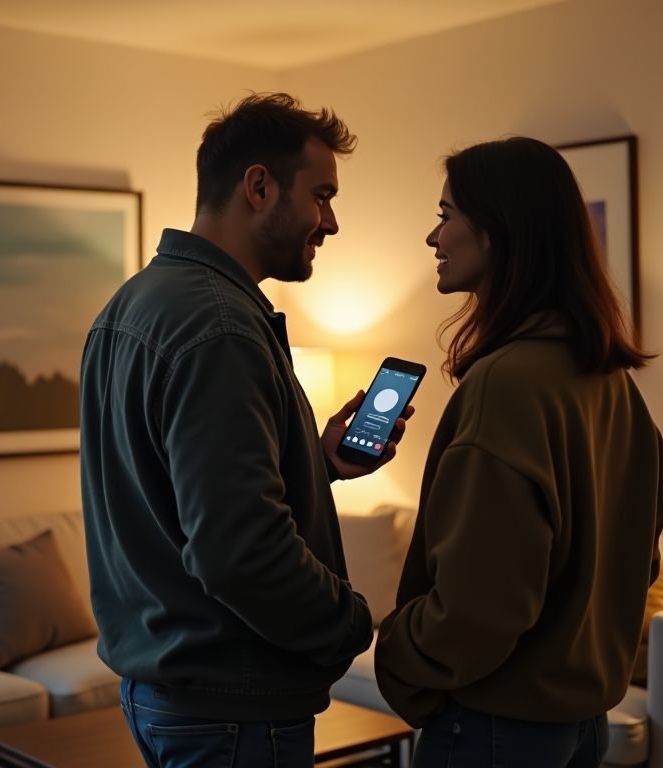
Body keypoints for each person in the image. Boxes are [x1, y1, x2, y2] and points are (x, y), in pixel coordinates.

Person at [79, 92, 412, 768]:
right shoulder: (221, 329)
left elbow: (177, 497)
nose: (333, 222)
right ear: (259, 186)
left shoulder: (133, 304)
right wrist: (348, 622)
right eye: (322, 196)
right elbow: (239, 551)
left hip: (168, 696)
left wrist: (313, 464)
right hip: (231, 712)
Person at [373, 136, 663, 768]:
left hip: (495, 729)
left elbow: (480, 606)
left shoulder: (506, 385)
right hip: (581, 724)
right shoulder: (607, 379)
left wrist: (394, 648)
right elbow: (639, 558)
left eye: (446, 216)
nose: (433, 238)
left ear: (496, 232)